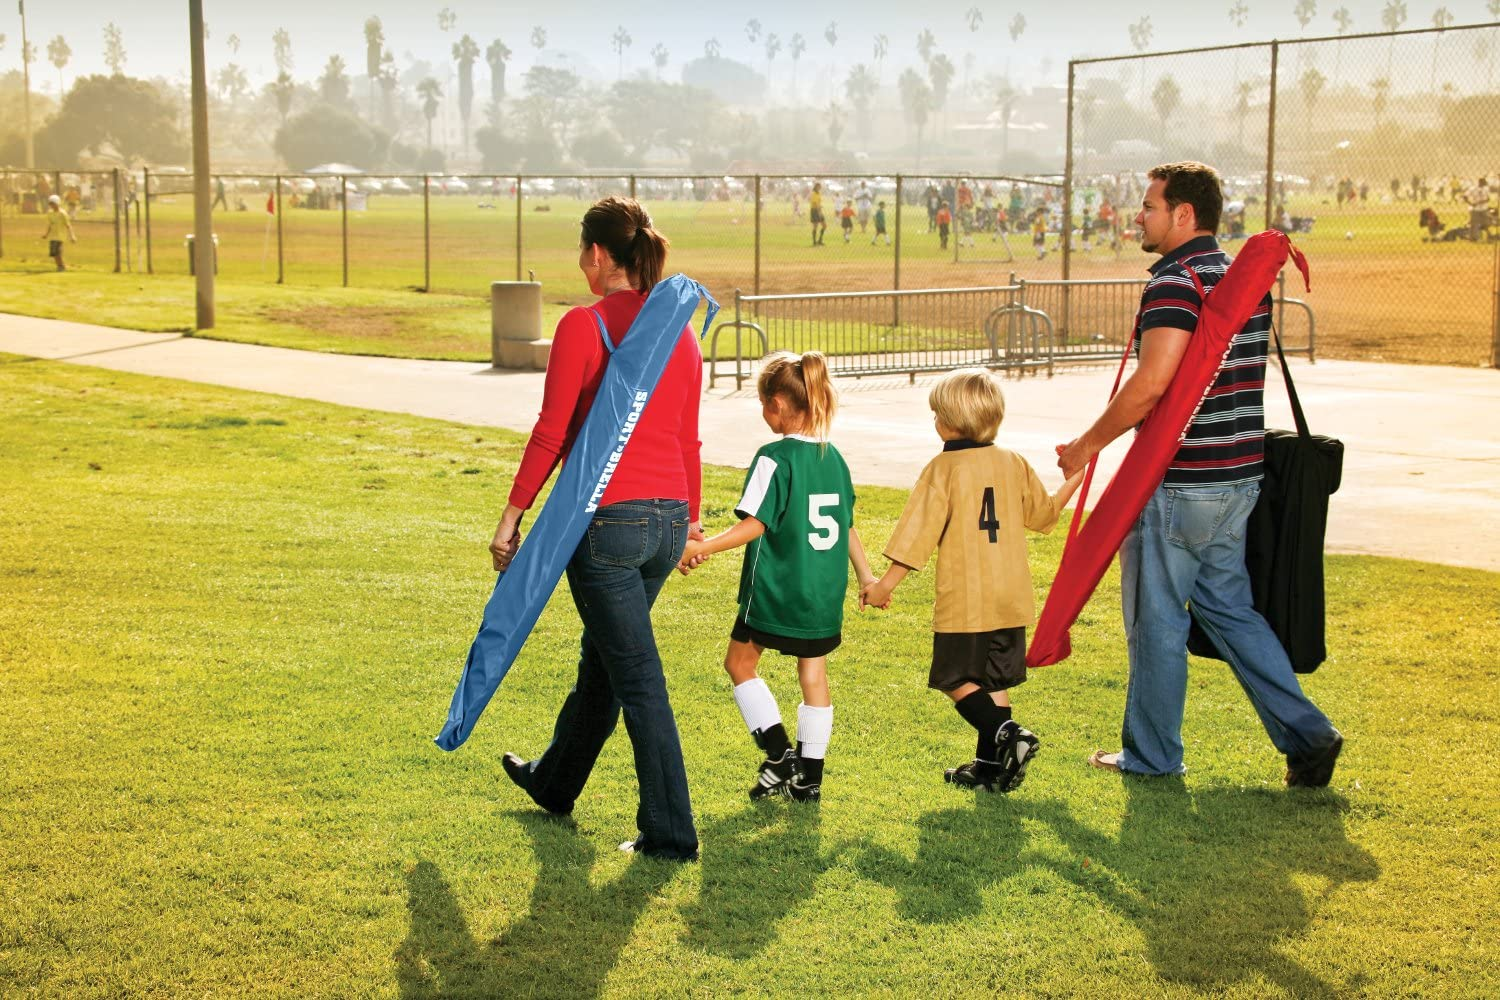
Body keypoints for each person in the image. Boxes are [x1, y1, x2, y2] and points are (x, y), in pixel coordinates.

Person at [1055, 161, 1343, 786]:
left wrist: (1085, 445)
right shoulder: (1238, 279)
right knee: (1230, 611)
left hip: (1180, 482)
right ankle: (1310, 736)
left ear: (1184, 214)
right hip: (1238, 476)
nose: (1138, 216)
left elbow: (1152, 384)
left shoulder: (1174, 283)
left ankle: (1153, 756)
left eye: (1149, 205)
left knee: (1156, 620)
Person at [495, 196, 704, 861]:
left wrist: (512, 513)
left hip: (608, 526)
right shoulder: (682, 331)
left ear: (595, 255)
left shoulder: (584, 326)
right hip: (667, 523)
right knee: (606, 663)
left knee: (636, 675)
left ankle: (671, 833)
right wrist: (693, 520)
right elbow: (689, 438)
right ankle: (555, 782)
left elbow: (552, 431)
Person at [862, 369, 1083, 793]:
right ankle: (989, 770)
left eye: (936, 414)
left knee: (954, 679)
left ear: (950, 422)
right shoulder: (1013, 462)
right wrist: (1077, 472)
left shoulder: (943, 468)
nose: (933, 421)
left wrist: (884, 586)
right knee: (992, 682)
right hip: (1011, 596)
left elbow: (916, 536)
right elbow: (1046, 515)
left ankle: (1009, 736)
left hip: (968, 598)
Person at [679, 352, 876, 803]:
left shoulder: (774, 457)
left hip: (777, 590)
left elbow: (756, 524)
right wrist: (866, 576)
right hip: (822, 594)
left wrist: (702, 546)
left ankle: (778, 752)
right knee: (813, 675)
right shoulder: (835, 458)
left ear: (780, 405)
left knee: (739, 663)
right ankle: (809, 779)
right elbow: (845, 525)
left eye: (763, 404)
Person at [40, 194, 77, 271]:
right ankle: (59, 265)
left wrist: (72, 236)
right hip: (53, 236)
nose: (51, 205)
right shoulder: (50, 213)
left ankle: (61, 266)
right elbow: (50, 224)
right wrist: (46, 234)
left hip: (60, 236)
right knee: (53, 252)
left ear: (57, 203)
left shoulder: (62, 213)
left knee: (57, 251)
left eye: (53, 203)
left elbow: (68, 225)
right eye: (50, 204)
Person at [1465, 177, 1492, 242]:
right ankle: (1473, 238)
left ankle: (1487, 236)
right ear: (1480, 182)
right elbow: (1464, 196)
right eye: (1483, 183)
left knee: (1486, 222)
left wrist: (1481, 201)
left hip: (1483, 208)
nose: (1484, 185)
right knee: (1474, 224)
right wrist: (1470, 203)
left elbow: (1488, 199)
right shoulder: (1472, 188)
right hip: (1474, 209)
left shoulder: (1486, 189)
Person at [809, 182, 827, 246]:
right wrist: (819, 211)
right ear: (815, 187)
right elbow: (814, 203)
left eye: (820, 187)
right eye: (818, 186)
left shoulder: (819, 194)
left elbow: (818, 202)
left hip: (819, 210)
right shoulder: (813, 194)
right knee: (815, 226)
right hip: (814, 211)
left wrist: (820, 209)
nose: (819, 188)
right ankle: (814, 242)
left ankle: (820, 240)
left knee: (824, 225)